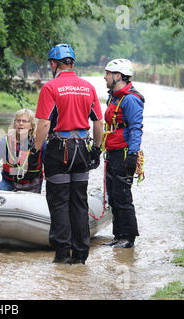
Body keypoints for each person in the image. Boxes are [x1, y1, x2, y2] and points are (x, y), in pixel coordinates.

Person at [32, 44, 103, 264]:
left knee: (59, 201)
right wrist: (97, 150)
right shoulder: (88, 87)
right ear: (72, 62)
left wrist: (35, 150)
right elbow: (99, 122)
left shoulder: (51, 88)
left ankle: (62, 254)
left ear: (54, 64)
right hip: (82, 149)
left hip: (59, 149)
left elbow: (44, 124)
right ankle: (81, 255)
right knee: (79, 202)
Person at [102, 58, 144, 249]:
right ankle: (118, 235)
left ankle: (128, 237)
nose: (104, 77)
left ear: (117, 76)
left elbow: (136, 128)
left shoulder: (130, 99)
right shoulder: (114, 96)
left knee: (122, 195)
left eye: (107, 74)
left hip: (125, 152)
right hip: (112, 151)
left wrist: (133, 155)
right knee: (112, 195)